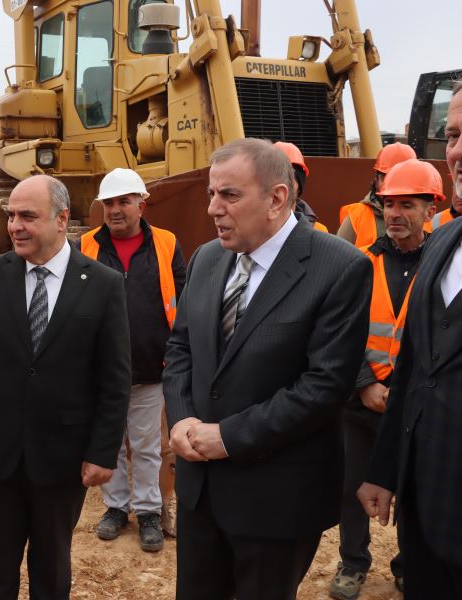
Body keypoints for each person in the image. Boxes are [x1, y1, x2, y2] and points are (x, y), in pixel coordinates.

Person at [163, 138, 372, 600]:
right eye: (212, 194)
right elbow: (181, 348)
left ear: (278, 198)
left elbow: (323, 387)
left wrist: (229, 436)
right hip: (201, 493)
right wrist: (180, 418)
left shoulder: (339, 267)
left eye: (230, 195)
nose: (214, 208)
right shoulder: (206, 258)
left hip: (276, 501)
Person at [0, 174, 131, 600]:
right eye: (11, 215)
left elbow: (114, 379)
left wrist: (102, 452)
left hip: (62, 456)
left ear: (61, 219)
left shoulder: (104, 285)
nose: (14, 226)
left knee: (51, 568)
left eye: (27, 216)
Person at [358, 81, 462, 599]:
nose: (458, 149)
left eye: (408, 203)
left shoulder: (435, 246)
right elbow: (417, 365)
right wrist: (384, 470)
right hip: (420, 489)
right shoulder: (438, 247)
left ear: (429, 207)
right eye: (453, 135)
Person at [329, 158, 442, 600]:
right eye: (388, 203)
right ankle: (353, 563)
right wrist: (364, 383)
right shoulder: (359, 264)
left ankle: (407, 565)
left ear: (430, 209)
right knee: (353, 487)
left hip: (417, 408)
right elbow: (340, 333)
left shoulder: (444, 265)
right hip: (361, 406)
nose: (394, 213)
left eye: (406, 205)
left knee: (415, 494)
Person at [77, 168, 186, 552]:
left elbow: (183, 301)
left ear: (142, 203)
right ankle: (116, 507)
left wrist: (179, 354)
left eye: (123, 201)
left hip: (150, 364)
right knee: (108, 440)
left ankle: (149, 512)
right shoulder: (85, 246)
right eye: (109, 203)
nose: (115, 210)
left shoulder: (167, 244)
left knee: (145, 444)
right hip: (101, 368)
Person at [337, 142, 419, 247]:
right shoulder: (357, 217)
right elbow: (338, 260)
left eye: (401, 178)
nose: (393, 185)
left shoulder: (424, 217)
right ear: (376, 180)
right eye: (387, 178)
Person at [273, 141, 329, 233]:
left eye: (288, 180)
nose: (282, 188)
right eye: (275, 179)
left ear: (299, 187)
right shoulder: (250, 231)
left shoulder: (318, 231)